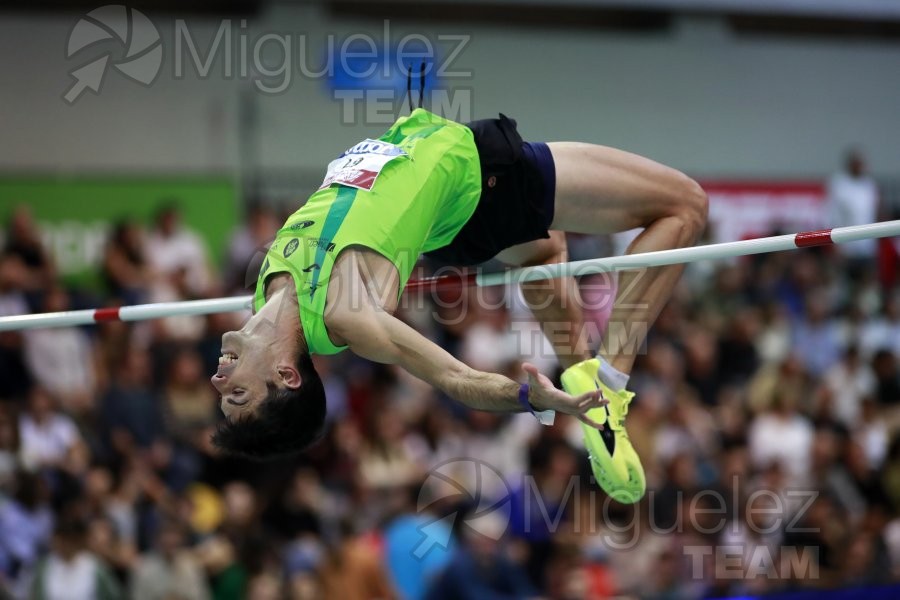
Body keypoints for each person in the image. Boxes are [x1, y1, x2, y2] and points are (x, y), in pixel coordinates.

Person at [209, 108, 708, 503]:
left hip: (450, 210)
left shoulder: (265, 287)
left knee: (544, 251)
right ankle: (610, 384)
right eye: (237, 396)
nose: (218, 382)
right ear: (287, 375)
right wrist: (530, 399)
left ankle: (585, 382)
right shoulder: (345, 312)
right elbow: (453, 377)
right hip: (482, 179)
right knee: (684, 205)